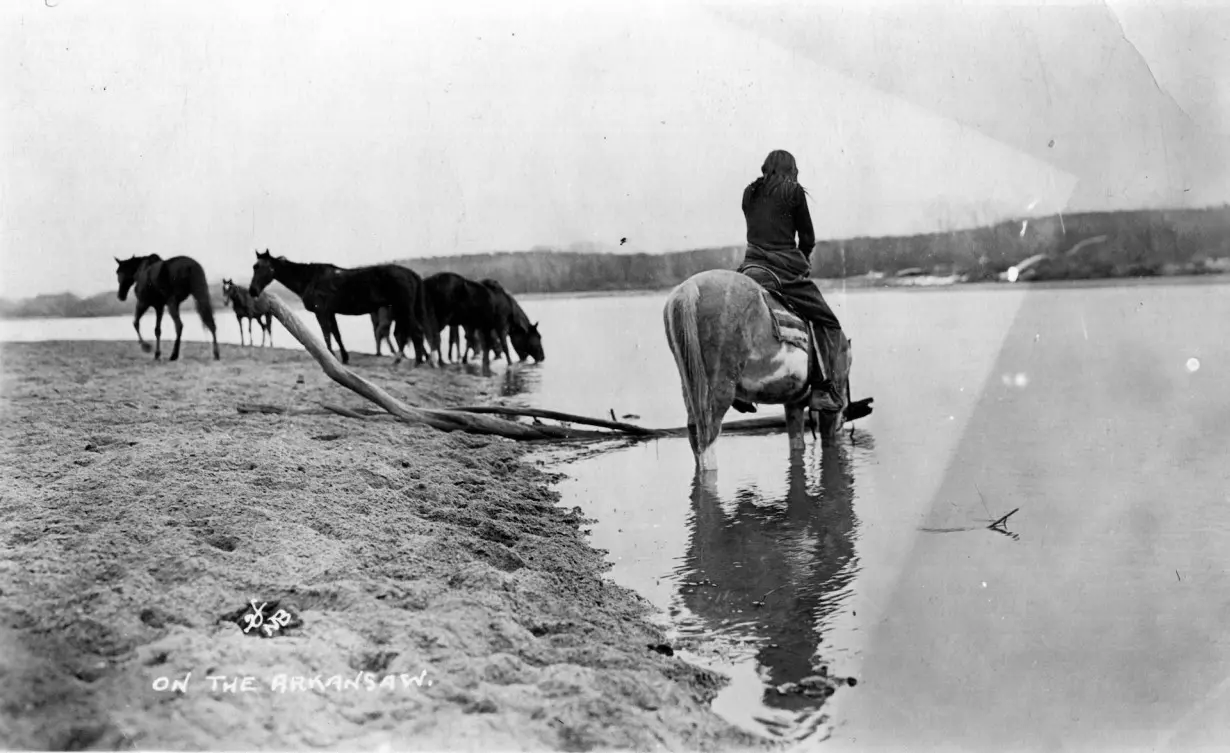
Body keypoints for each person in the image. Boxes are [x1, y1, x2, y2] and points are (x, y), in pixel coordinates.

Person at [735, 149, 843, 413]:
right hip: (782, 272)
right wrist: (802, 262)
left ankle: (738, 387)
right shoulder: (793, 191)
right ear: (791, 169)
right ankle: (821, 389)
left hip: (749, 269)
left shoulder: (749, 193)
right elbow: (807, 238)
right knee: (828, 322)